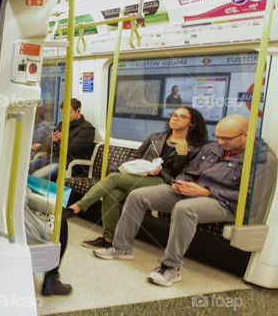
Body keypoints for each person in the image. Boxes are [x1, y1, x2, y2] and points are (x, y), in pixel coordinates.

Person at [94, 115, 276, 286]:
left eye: (226, 139)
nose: (220, 142)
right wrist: (181, 182)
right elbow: (189, 169)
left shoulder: (262, 160)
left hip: (223, 203)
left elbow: (250, 197)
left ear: (246, 135)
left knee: (184, 209)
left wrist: (206, 191)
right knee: (138, 196)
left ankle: (171, 267)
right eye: (218, 136)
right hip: (190, 191)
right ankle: (121, 248)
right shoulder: (213, 148)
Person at [64, 107, 207, 249]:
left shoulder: (194, 147)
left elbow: (181, 174)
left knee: (114, 178)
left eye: (182, 117)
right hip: (142, 175)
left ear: (191, 123)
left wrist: (182, 157)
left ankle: (77, 207)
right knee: (112, 193)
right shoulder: (156, 137)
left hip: (163, 181)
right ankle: (109, 238)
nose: (175, 118)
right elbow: (136, 156)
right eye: (174, 115)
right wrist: (136, 166)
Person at [31, 98, 96, 181]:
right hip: (52, 158)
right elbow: (51, 147)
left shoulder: (87, 129)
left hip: (69, 164)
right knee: (25, 169)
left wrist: (59, 141)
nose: (65, 117)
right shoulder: (62, 125)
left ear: (78, 111)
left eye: (68, 113)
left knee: (36, 176)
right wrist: (53, 140)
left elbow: (71, 149)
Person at [28, 105, 54, 172]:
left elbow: (39, 146)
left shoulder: (43, 128)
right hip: (32, 155)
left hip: (38, 156)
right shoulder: (33, 126)